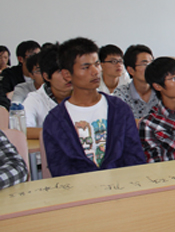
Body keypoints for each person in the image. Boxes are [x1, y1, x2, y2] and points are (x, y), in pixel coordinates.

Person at [42, 37, 145, 177]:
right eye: (86, 67)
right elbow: (59, 168)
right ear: (67, 74)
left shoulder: (119, 109)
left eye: (97, 64)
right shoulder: (55, 120)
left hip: (121, 185)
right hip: (79, 189)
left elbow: (135, 158)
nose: (95, 71)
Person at [23, 44, 72, 127]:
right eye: (60, 72)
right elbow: (25, 129)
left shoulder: (88, 94)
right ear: (46, 76)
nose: (68, 76)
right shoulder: (34, 100)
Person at [113, 45, 159, 120]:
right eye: (144, 64)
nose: (150, 68)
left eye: (151, 63)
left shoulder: (161, 91)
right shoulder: (121, 94)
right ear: (131, 70)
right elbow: (122, 122)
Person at [0, 41, 41, 110]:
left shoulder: (45, 74)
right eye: (32, 56)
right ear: (20, 59)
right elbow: (4, 96)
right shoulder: (9, 74)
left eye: (39, 55)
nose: (37, 59)